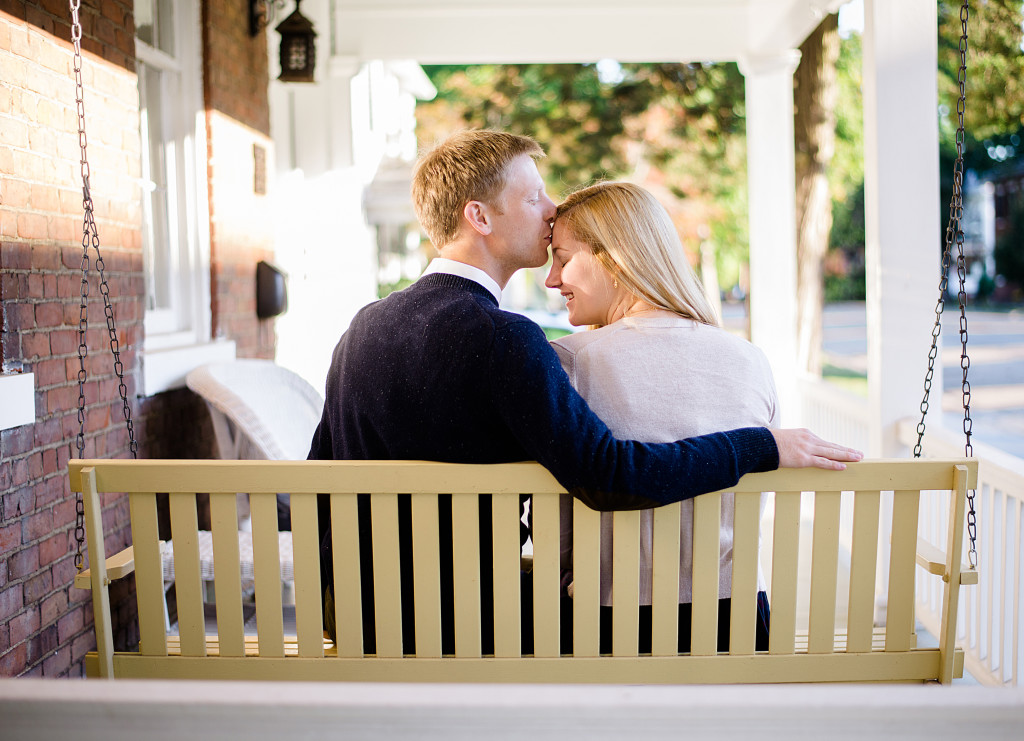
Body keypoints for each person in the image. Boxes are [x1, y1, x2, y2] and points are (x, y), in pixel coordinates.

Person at [307, 130, 861, 655]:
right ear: (478, 216)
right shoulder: (508, 339)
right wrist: (762, 445)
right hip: (464, 621)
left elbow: (318, 473)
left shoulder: (361, 327)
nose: (551, 209)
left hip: (355, 613)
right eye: (533, 197)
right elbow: (609, 476)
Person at [546, 181, 779, 653]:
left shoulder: (568, 363)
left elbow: (560, 533)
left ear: (614, 258)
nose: (552, 280)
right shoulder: (750, 359)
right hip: (737, 627)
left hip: (611, 628)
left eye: (563, 258)